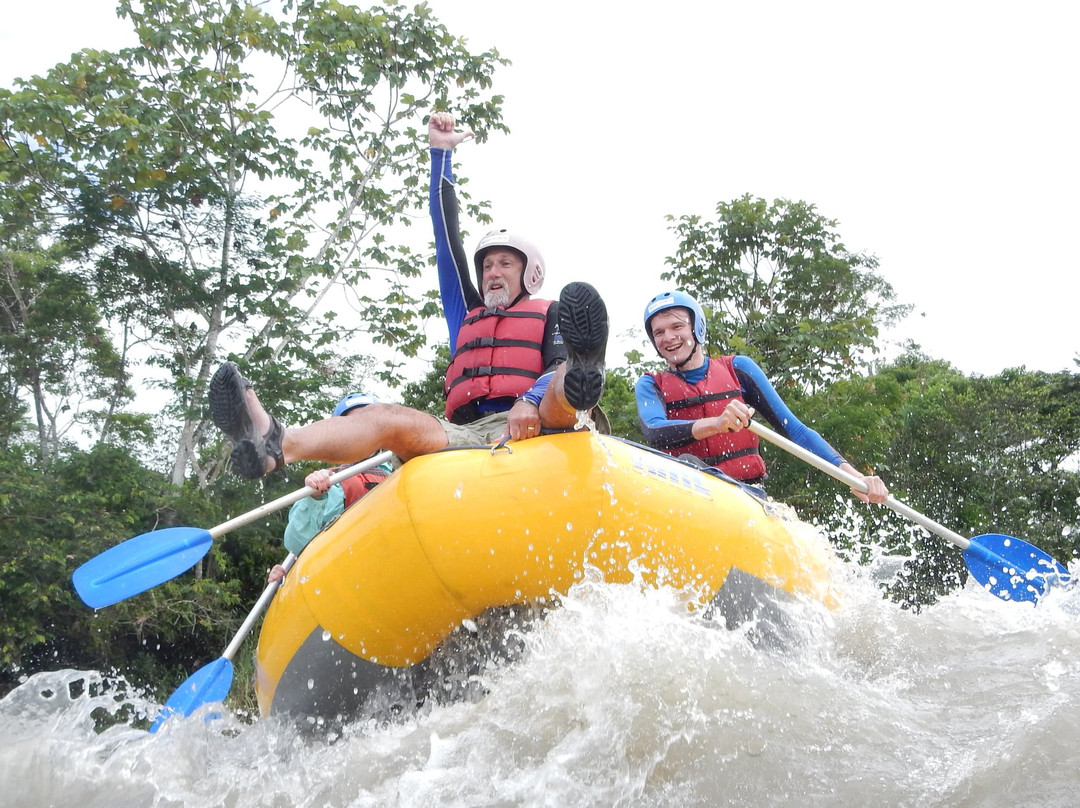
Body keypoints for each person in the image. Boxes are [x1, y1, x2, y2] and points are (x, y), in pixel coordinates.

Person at [209, 112, 609, 480]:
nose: (492, 272)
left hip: (539, 421)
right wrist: (440, 154)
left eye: (505, 263)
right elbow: (445, 236)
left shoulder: (552, 312)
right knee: (383, 415)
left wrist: (528, 400)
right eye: (486, 266)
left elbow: (548, 372)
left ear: (529, 273)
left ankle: (584, 374)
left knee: (562, 380)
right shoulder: (467, 314)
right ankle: (275, 444)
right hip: (464, 433)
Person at [636, 290, 889, 504]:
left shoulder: (739, 369)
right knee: (688, 465)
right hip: (688, 496)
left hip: (746, 497)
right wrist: (716, 424)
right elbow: (654, 430)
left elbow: (796, 431)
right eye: (659, 332)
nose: (668, 337)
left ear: (696, 328)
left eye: (677, 326)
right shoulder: (650, 385)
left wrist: (855, 477)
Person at [266, 393, 393, 583]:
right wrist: (316, 498)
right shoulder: (331, 481)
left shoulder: (404, 469)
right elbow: (296, 542)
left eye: (367, 423)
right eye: (351, 426)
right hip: (351, 577)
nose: (360, 433)